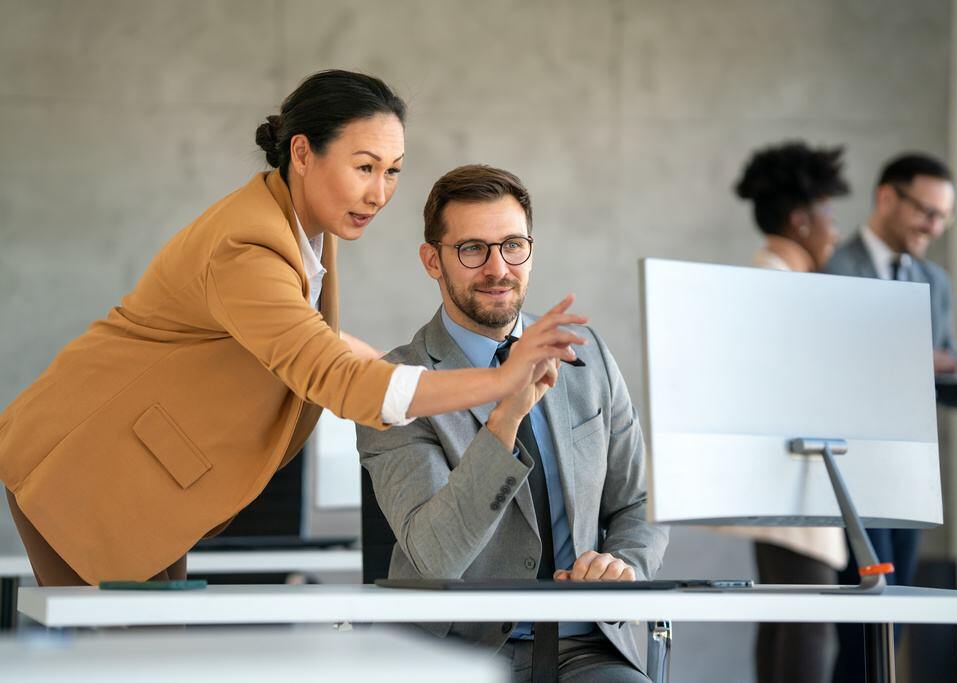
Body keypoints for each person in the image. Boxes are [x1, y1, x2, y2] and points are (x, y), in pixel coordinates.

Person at [0, 70, 586, 587]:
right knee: (131, 662)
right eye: (364, 167)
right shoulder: (247, 246)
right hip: (84, 468)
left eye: (392, 171)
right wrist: (499, 380)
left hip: (144, 475)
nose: (379, 193)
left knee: (155, 652)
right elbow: (334, 377)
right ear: (302, 153)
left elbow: (317, 342)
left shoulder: (303, 228)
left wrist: (395, 366)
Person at [356, 165, 669, 682]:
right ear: (432, 259)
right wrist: (507, 412)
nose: (497, 268)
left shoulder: (588, 361)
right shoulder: (394, 384)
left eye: (512, 245)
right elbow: (435, 558)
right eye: (472, 249)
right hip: (451, 651)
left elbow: (641, 502)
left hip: (582, 646)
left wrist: (623, 565)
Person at [823, 152, 957, 682]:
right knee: (862, 626)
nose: (934, 227)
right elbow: (831, 365)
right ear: (887, 197)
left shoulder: (936, 281)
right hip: (848, 474)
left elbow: (938, 376)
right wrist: (914, 356)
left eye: (942, 217)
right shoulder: (835, 269)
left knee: (896, 625)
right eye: (926, 212)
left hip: (909, 476)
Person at [730, 141, 851, 683]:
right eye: (829, 214)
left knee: (788, 624)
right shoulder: (778, 284)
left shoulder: (779, 277)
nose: (835, 230)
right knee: (807, 628)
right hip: (795, 482)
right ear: (801, 220)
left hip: (793, 485)